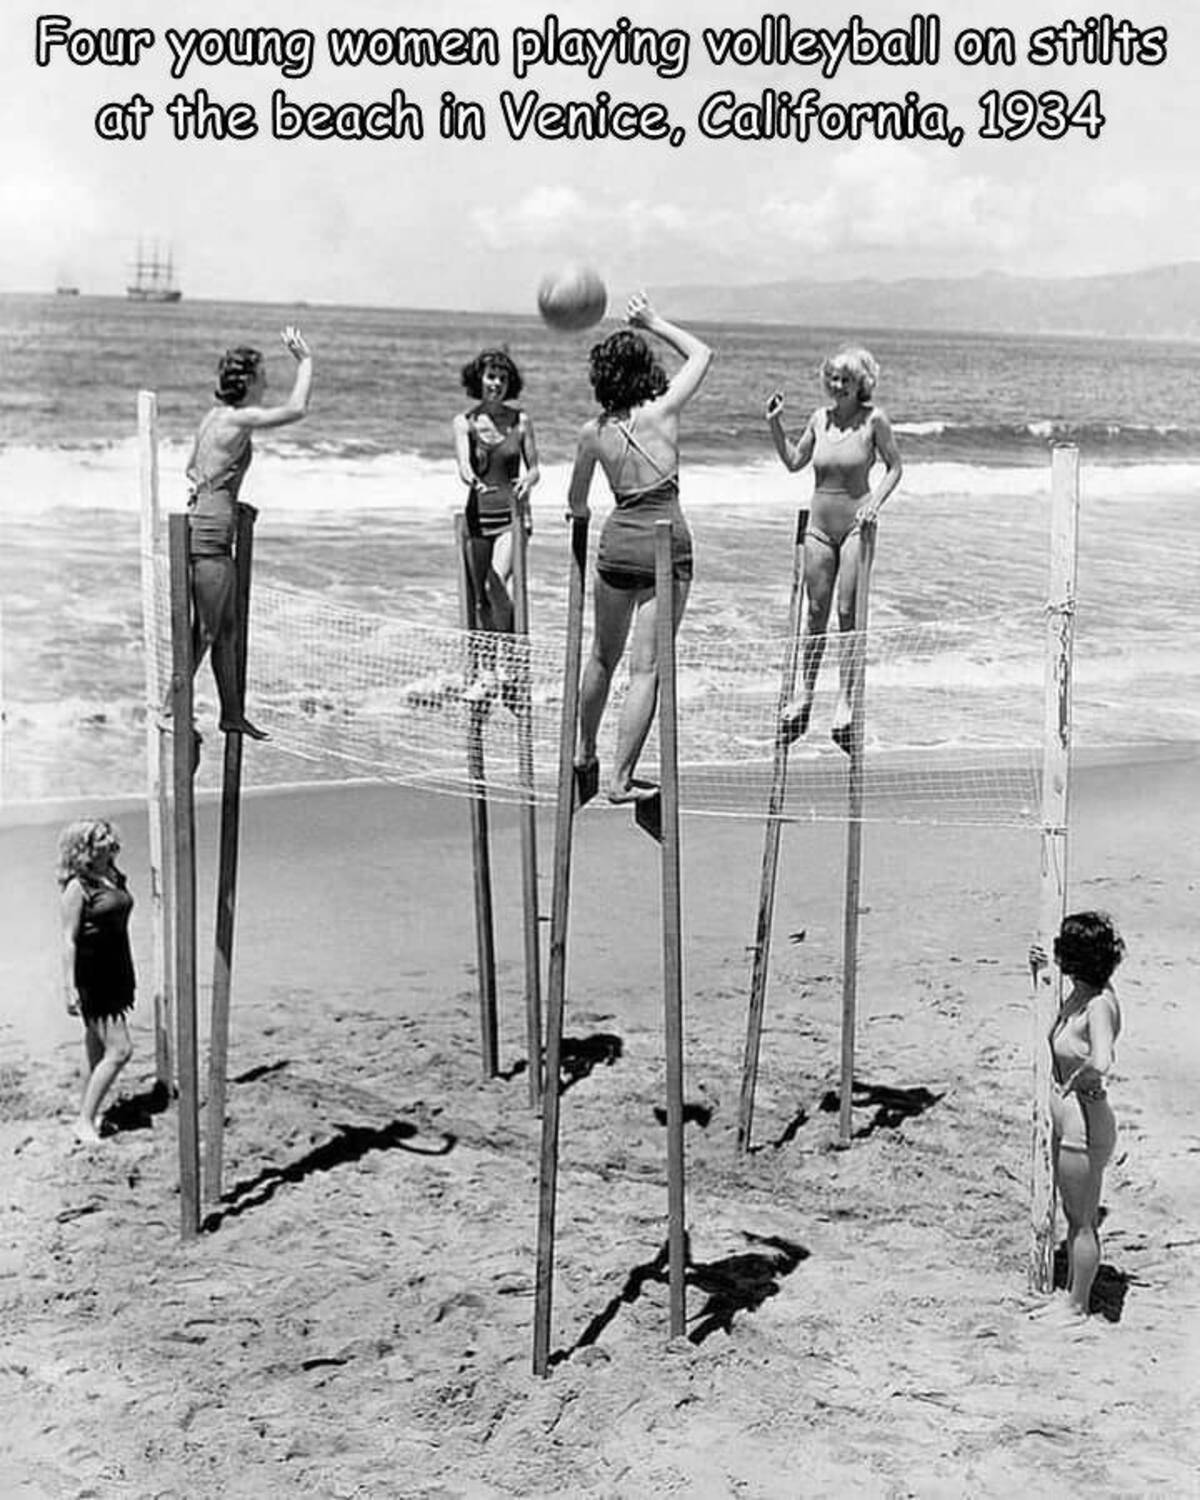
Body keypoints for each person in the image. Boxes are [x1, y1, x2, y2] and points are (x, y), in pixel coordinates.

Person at [570, 293, 713, 804]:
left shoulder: (592, 433)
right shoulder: (664, 409)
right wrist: (652, 321)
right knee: (646, 668)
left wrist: (581, 519)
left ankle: (584, 753)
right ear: (644, 370)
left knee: (602, 658)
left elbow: (577, 502)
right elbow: (701, 354)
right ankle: (620, 780)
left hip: (618, 540)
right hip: (664, 544)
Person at [764, 347, 902, 751]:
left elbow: (895, 467)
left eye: (846, 379)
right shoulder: (818, 420)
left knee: (847, 613)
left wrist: (875, 502)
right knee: (816, 613)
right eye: (833, 378)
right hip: (820, 529)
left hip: (857, 525)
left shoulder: (874, 420)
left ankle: (845, 700)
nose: (838, 386)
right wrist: (775, 425)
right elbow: (793, 461)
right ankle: (804, 696)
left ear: (861, 383)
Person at [187, 326, 313, 742]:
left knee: (225, 629)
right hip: (211, 536)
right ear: (248, 381)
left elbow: (195, 469)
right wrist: (306, 362)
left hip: (208, 521)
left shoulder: (214, 417)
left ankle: (232, 714)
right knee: (205, 629)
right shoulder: (241, 417)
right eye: (262, 375)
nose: (267, 381)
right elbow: (296, 410)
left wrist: (226, 499)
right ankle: (173, 707)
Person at [1032, 911, 1126, 1323]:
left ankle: (1078, 1305)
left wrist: (1079, 1080)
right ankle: (1072, 1296)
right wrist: (1039, 969)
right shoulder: (1081, 993)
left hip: (1084, 1124)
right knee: (1075, 1217)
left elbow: (1104, 1060)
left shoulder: (1099, 1004)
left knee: (1081, 1220)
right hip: (1072, 1121)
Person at [453, 348, 540, 641]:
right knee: (480, 598)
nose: (496, 384)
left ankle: (510, 652)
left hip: (512, 517)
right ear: (479, 379)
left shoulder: (522, 420)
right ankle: (489, 669)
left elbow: (535, 469)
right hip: (477, 516)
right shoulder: (464, 422)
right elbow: (464, 464)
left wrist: (528, 480)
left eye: (502, 378)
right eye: (491, 377)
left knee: (495, 581)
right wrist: (470, 477)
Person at [58, 819, 136, 1143]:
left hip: (118, 967)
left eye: (107, 833)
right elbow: (68, 939)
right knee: (120, 1050)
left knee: (96, 1048)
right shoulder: (79, 886)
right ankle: (85, 1122)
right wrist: (68, 986)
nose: (109, 837)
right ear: (85, 848)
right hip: (93, 975)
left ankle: (86, 1112)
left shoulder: (115, 875)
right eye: (100, 836)